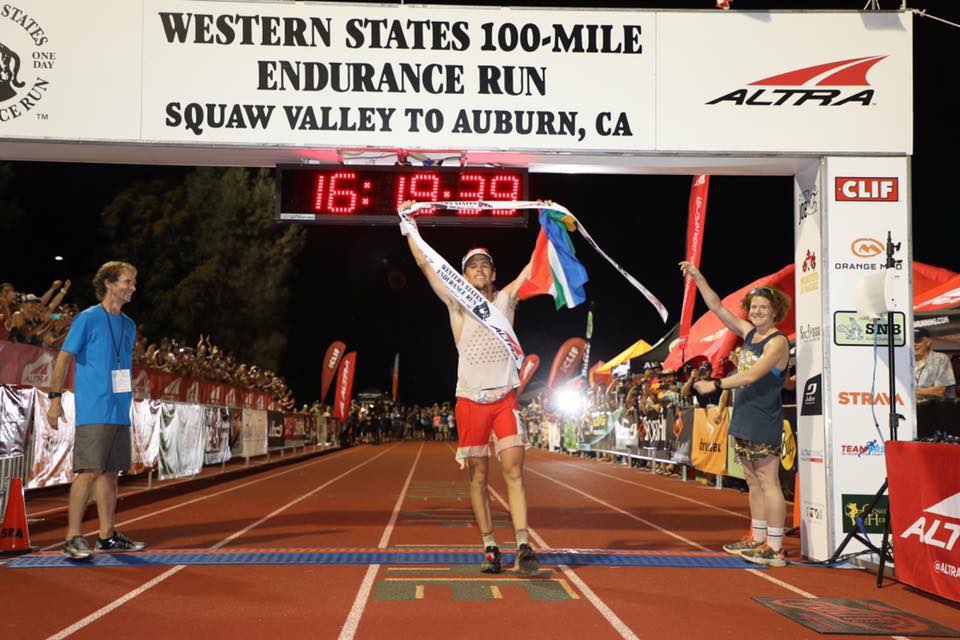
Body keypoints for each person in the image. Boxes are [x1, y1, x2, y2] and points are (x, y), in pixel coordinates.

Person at [401, 201, 540, 575]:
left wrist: (551, 223)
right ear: (463, 275)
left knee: (514, 470)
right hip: (470, 402)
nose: (478, 270)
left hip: (504, 398)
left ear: (493, 272)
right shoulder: (457, 303)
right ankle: (490, 545)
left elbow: (535, 265)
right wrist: (408, 227)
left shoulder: (507, 299)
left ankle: (524, 545)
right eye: (471, 266)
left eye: (484, 265)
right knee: (478, 477)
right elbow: (426, 265)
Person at [681, 262, 791, 568]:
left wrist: (714, 384)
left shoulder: (778, 342)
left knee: (769, 481)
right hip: (742, 415)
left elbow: (751, 375)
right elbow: (716, 306)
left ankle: (776, 547)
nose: (756, 312)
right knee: (753, 482)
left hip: (763, 417)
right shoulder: (749, 334)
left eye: (763, 307)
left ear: (774, 311)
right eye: (753, 307)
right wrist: (699, 277)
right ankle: (757, 538)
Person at [46, 261, 146, 560]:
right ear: (109, 283)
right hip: (94, 408)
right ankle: (73, 537)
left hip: (119, 409)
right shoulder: (87, 318)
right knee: (88, 472)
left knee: (111, 474)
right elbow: (63, 358)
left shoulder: (128, 325)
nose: (133, 287)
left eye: (134, 282)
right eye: (128, 281)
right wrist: (54, 397)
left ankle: (107, 535)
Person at [914, 327, 956, 399]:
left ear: (928, 342)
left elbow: (939, 391)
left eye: (917, 341)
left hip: (935, 408)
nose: (914, 344)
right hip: (909, 408)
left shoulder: (940, 359)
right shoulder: (904, 361)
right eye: (911, 341)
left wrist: (912, 392)